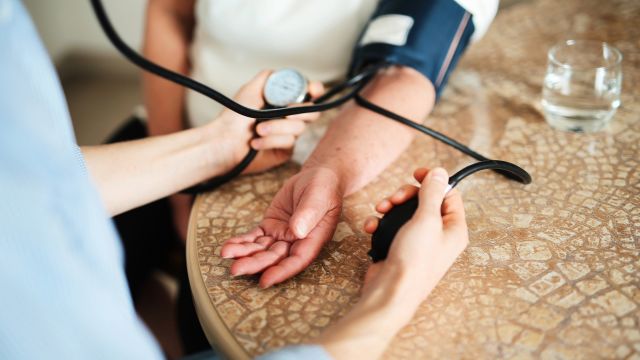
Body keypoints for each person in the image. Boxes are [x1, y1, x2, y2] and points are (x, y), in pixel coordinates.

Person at [0, 0, 469, 358]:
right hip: (175, 127)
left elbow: (29, 184)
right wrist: (395, 294)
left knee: (204, 310)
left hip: (274, 146)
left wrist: (215, 152)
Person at [143, 0, 497, 290]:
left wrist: (327, 171)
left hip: (308, 149)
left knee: (206, 301)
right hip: (176, 127)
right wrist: (175, 177)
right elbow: (169, 11)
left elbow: (406, 71)